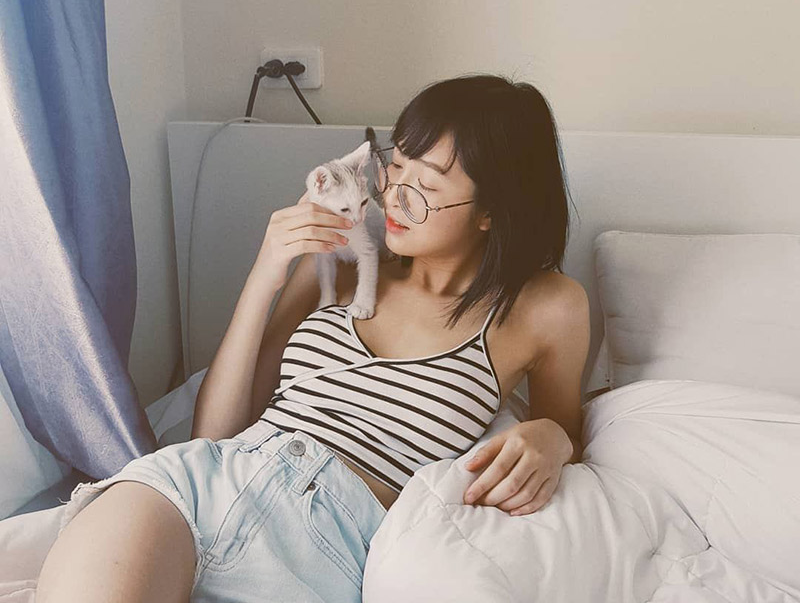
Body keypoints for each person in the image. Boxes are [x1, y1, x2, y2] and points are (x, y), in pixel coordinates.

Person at [36, 73, 590, 602]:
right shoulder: (342, 260)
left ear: (491, 211)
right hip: (200, 486)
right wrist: (268, 270)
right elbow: (215, 431)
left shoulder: (547, 309)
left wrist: (553, 438)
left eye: (424, 187)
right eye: (394, 168)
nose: (392, 199)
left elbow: (566, 431)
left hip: (329, 548)